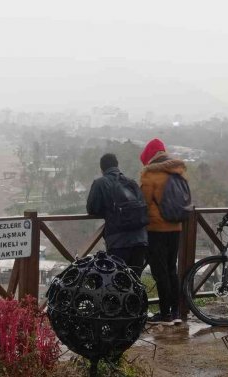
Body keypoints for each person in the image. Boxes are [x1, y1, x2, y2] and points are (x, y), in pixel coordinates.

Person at [140, 138, 187, 325]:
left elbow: (143, 203)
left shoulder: (150, 175)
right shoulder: (178, 172)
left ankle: (165, 314)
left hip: (156, 229)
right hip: (176, 227)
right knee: (171, 270)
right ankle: (175, 313)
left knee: (160, 272)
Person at [86, 153, 148, 275]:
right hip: (140, 240)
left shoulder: (100, 183)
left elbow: (92, 208)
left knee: (117, 283)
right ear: (117, 165)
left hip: (118, 242)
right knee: (135, 282)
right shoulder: (132, 183)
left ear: (102, 168)